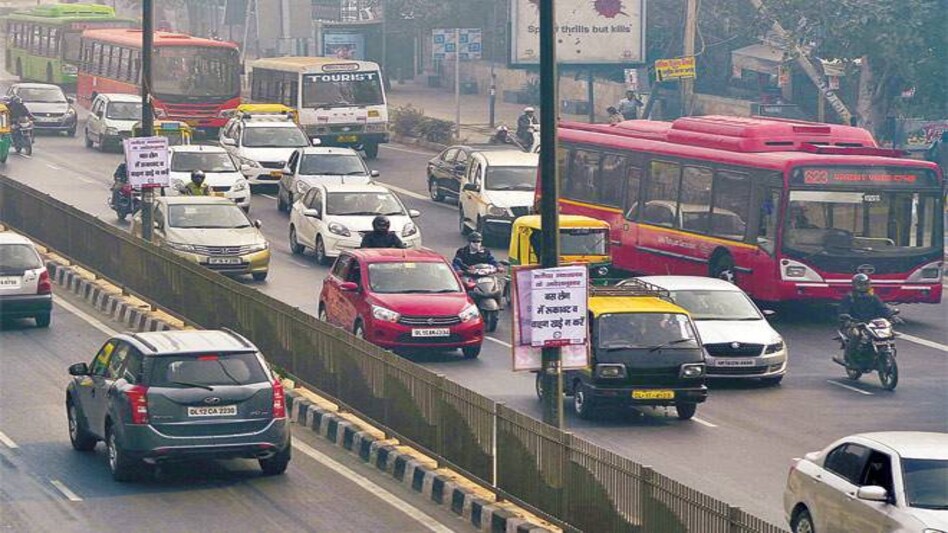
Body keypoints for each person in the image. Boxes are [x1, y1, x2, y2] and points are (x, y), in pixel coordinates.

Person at [838, 274, 899, 362]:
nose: (863, 286)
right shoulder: (849, 297)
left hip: (871, 324)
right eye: (860, 284)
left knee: (888, 334)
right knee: (857, 334)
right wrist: (847, 318)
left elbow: (882, 308)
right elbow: (843, 311)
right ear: (854, 285)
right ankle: (851, 358)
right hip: (855, 323)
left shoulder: (873, 297)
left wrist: (891, 316)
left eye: (865, 284)